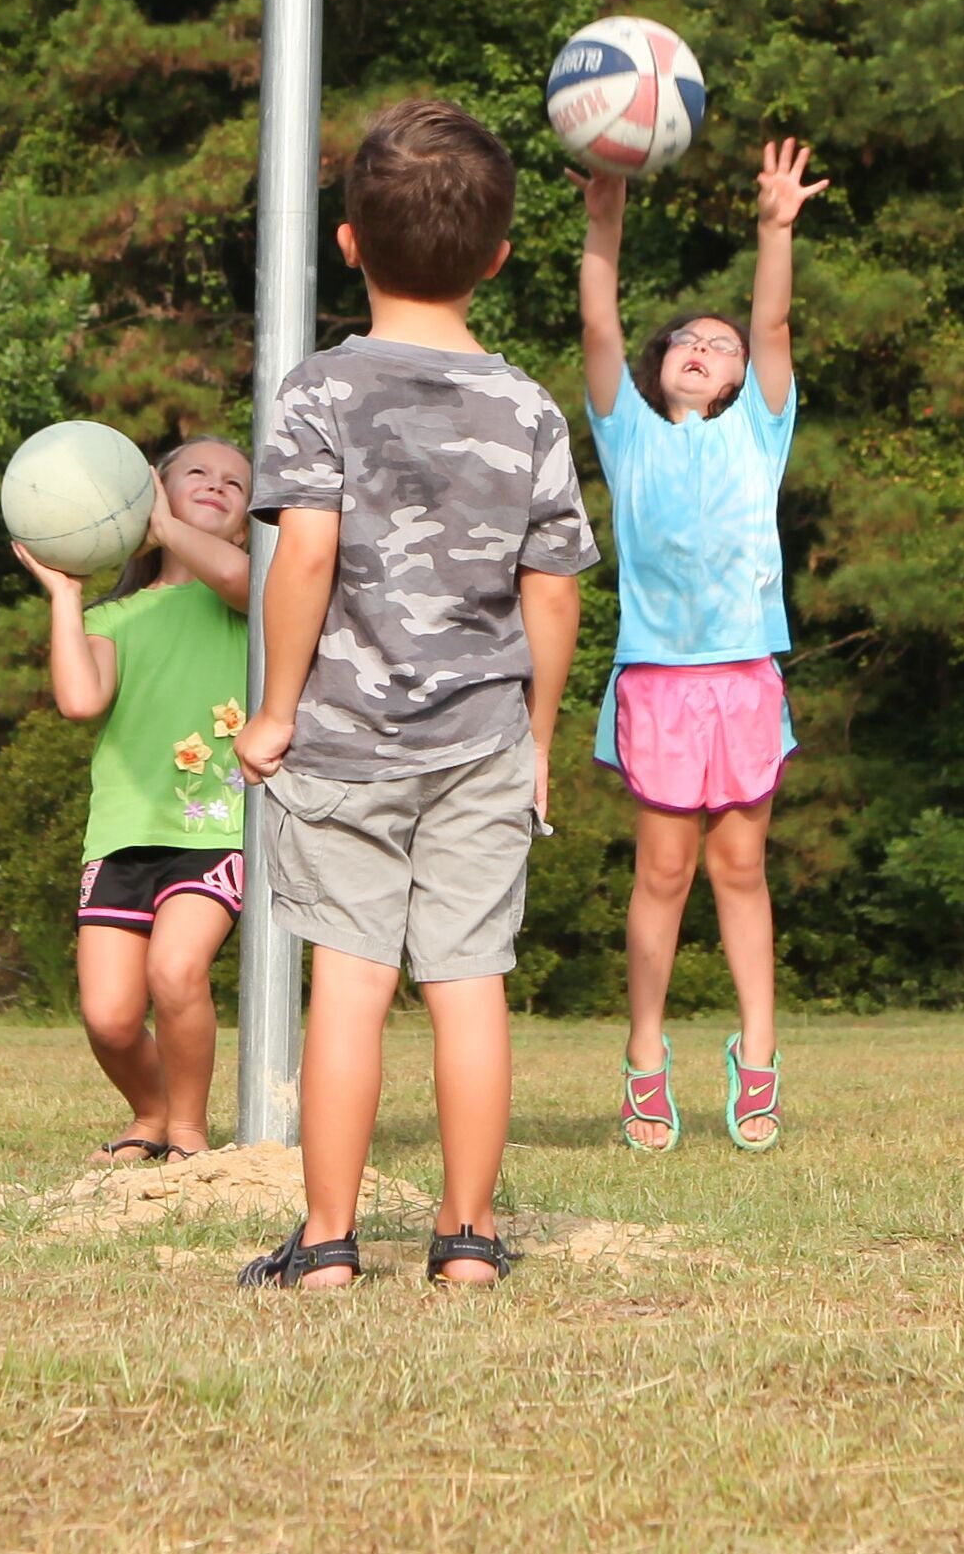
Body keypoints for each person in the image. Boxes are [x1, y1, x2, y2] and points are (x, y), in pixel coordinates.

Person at [230, 96, 596, 1292]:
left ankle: (329, 1244)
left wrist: (278, 707)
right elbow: (552, 591)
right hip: (484, 738)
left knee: (349, 980)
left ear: (347, 244)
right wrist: (537, 736)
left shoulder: (320, 389)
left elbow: (309, 556)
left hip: (341, 742)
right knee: (467, 981)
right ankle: (468, 1239)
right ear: (496, 255)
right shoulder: (529, 404)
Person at [575, 136, 819, 1155]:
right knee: (663, 872)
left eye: (718, 344)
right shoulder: (626, 429)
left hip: (743, 675)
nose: (704, 346)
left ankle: (756, 1052)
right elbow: (598, 314)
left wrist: (774, 229)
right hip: (659, 682)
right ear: (659, 365)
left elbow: (771, 318)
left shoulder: (758, 427)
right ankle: (644, 1054)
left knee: (741, 868)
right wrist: (605, 213)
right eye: (687, 338)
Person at [14, 437, 254, 1164]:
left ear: (246, 523)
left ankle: (187, 1130)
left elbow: (249, 583)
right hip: (121, 834)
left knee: (176, 972)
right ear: (150, 488)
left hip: (217, 826)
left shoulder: (251, 596)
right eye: (196, 474)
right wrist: (66, 595)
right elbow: (80, 697)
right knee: (110, 1017)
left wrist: (162, 522)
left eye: (235, 484)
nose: (216, 484)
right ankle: (149, 1111)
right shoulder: (114, 618)